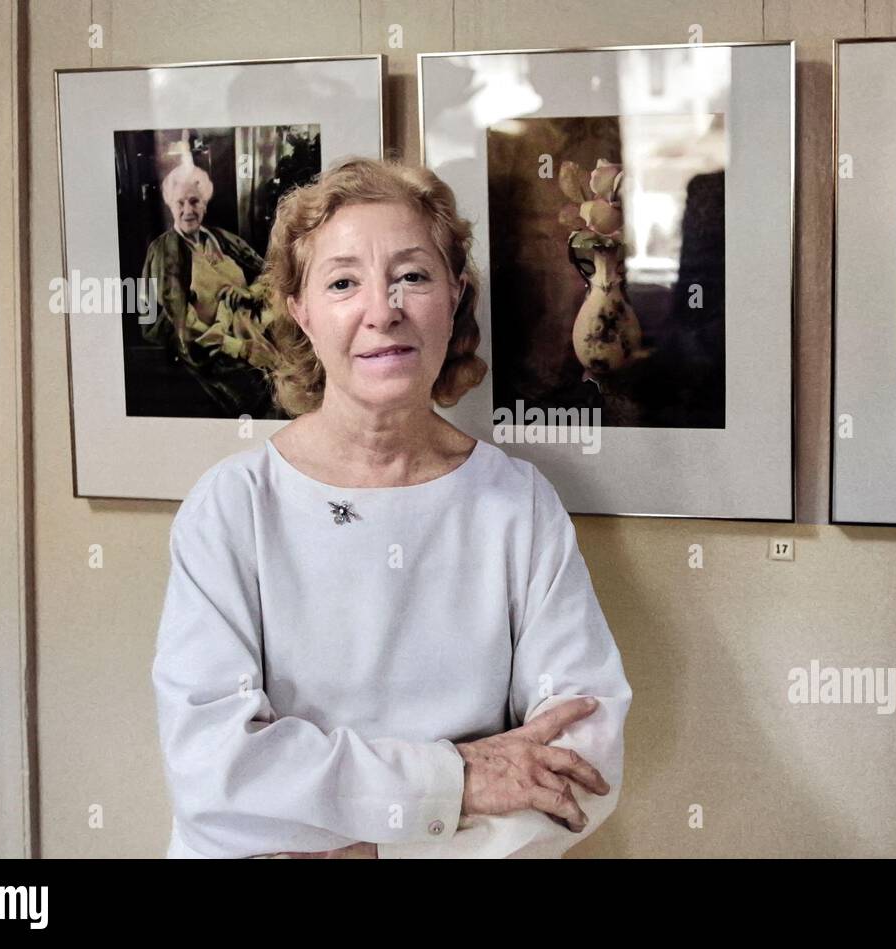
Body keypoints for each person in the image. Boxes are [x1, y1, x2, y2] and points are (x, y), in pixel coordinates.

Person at [151, 157, 632, 859]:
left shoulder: (517, 505)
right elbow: (214, 771)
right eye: (344, 282)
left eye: (412, 275)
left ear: (454, 295)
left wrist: (381, 851)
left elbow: (583, 758)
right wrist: (454, 778)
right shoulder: (231, 508)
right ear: (301, 312)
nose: (384, 310)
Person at [140, 150, 283, 417]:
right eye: (179, 203)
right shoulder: (164, 251)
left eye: (194, 201)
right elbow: (180, 321)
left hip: (253, 326)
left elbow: (270, 274)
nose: (187, 210)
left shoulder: (222, 238)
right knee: (262, 397)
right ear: (170, 206)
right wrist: (240, 348)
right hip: (211, 345)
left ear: (205, 203)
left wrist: (249, 293)